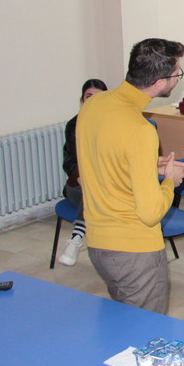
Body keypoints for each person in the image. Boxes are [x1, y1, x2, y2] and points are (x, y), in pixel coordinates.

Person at [77, 38, 184, 314]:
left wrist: (150, 165)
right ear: (159, 83)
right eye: (177, 74)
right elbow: (151, 213)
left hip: (98, 243)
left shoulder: (94, 105)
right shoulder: (140, 130)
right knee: (146, 336)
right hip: (134, 251)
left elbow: (105, 158)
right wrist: (170, 181)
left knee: (124, 325)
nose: (178, 79)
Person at [58, 78, 108, 267]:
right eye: (89, 97)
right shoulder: (74, 125)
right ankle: (77, 238)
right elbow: (71, 163)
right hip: (77, 186)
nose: (93, 101)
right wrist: (84, 179)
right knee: (92, 195)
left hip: (105, 186)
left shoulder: (114, 124)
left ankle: (76, 237)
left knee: (99, 196)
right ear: (82, 100)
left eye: (99, 97)